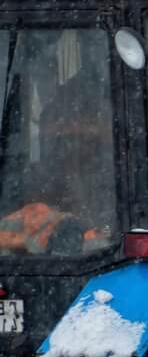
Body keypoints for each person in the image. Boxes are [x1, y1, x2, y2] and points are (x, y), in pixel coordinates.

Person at [0, 68, 115, 256]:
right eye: (60, 132)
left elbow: (111, 234)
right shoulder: (31, 179)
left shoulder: (120, 182)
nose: (71, 136)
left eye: (84, 130)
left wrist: (72, 227)